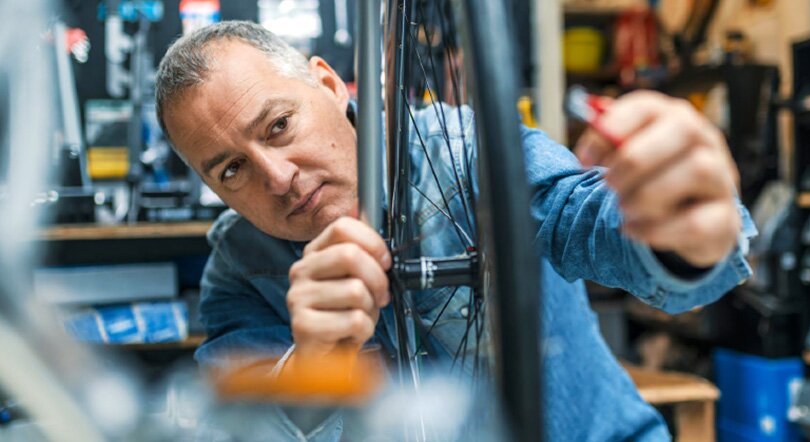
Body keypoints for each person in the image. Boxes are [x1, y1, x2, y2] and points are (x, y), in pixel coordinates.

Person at [156, 20, 754, 440]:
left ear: (331, 86)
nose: (278, 178)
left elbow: (588, 219)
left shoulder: (468, 151)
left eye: (279, 125)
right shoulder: (239, 269)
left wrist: (682, 229)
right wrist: (314, 361)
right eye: (231, 169)